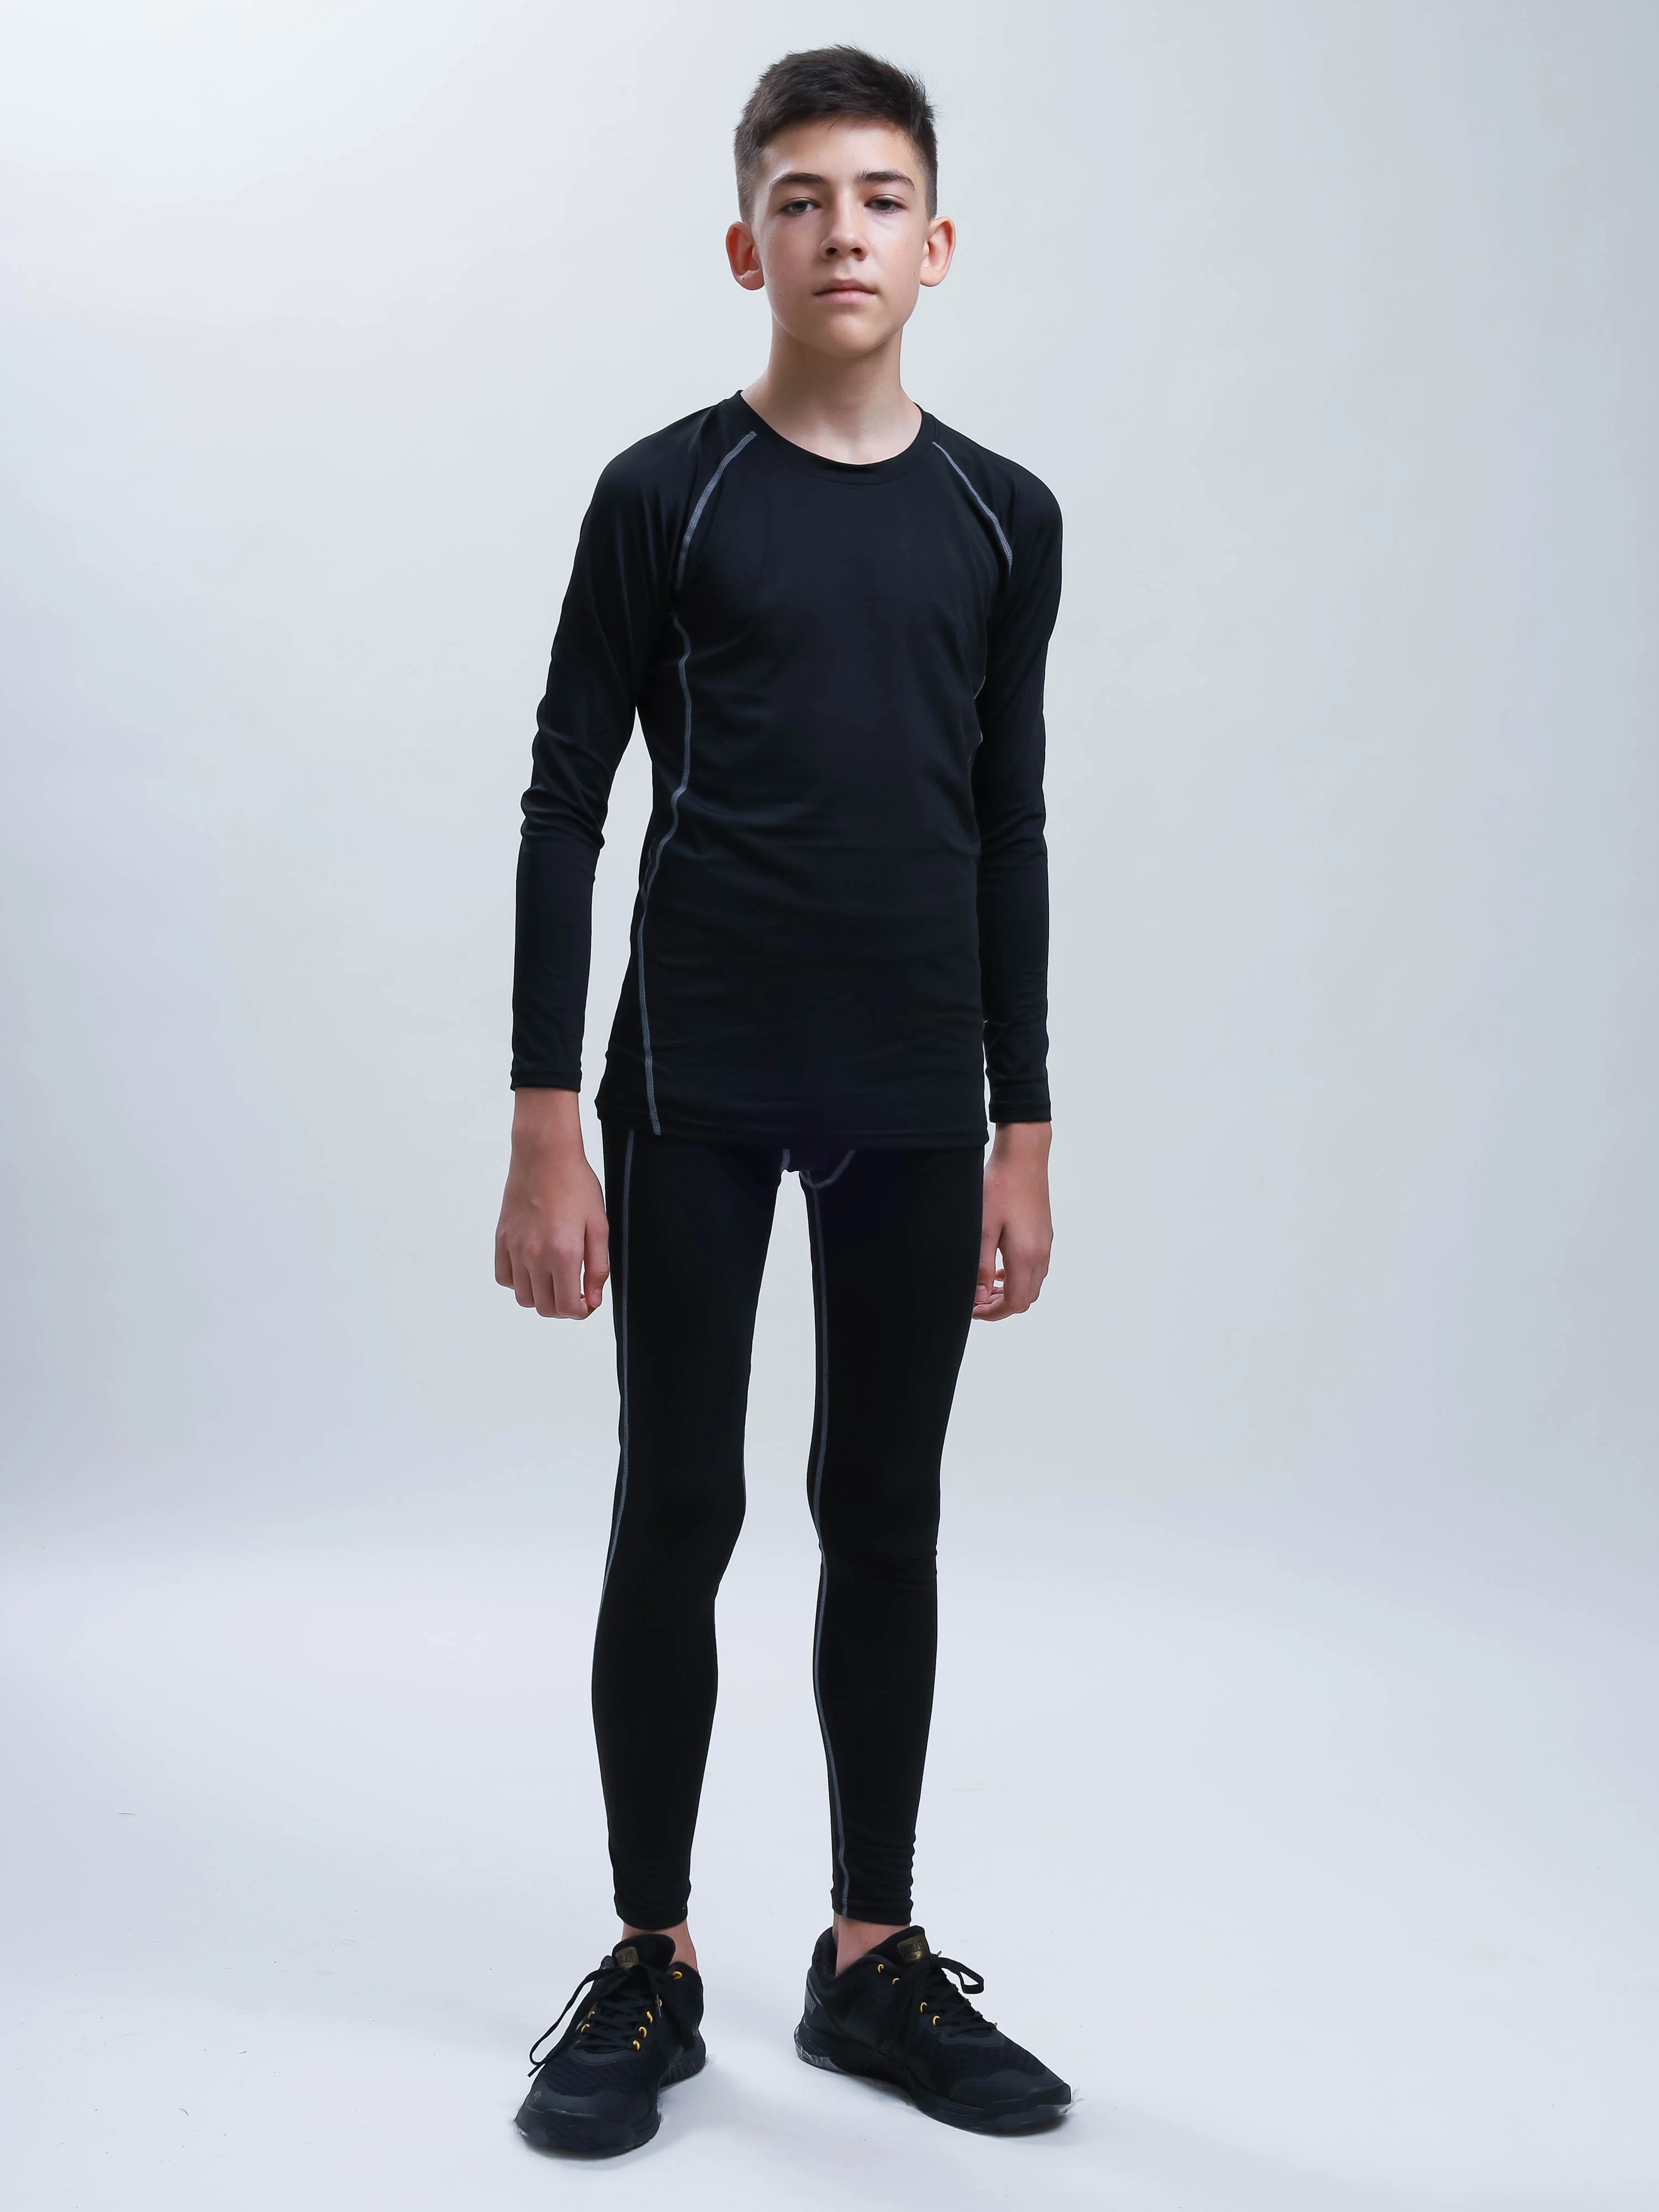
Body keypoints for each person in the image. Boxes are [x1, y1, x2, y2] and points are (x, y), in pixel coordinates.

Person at [494, 44, 1070, 2155]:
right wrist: (546, 1119)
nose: (844, 232)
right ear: (748, 245)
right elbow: (565, 801)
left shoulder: (1004, 517)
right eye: (803, 199)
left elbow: (1008, 821)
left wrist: (1025, 1122)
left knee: (884, 1514)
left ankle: (868, 1960)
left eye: (881, 197)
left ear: (940, 243)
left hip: (914, 1086)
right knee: (682, 1505)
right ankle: (652, 1959)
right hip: (699, 1078)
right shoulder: (668, 495)